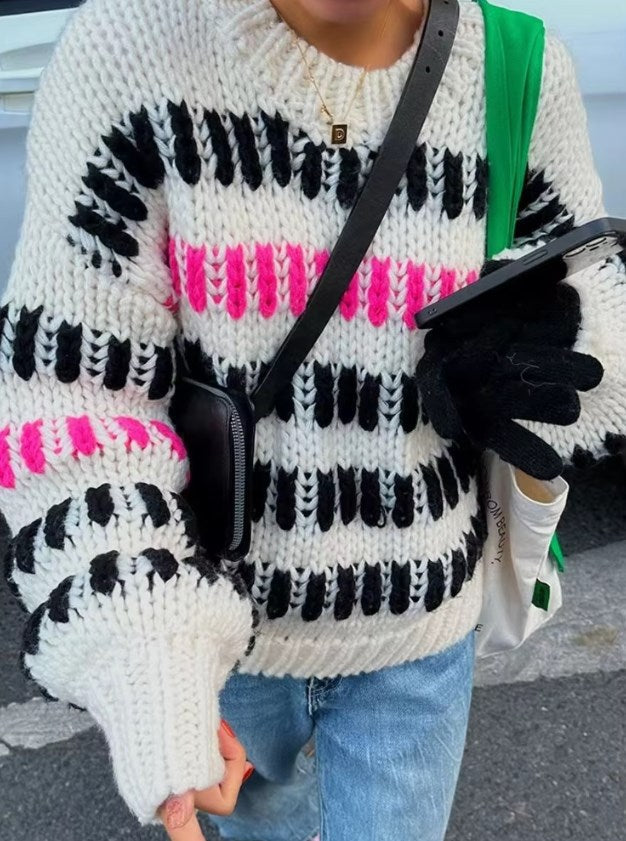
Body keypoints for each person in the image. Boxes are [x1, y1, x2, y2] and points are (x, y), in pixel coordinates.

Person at [1, 0, 624, 839]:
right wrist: (147, 659)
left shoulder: (518, 68)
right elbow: (70, 392)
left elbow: (592, 310)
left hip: (421, 627)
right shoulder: (133, 46)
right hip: (220, 638)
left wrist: (546, 354)